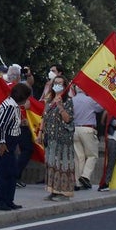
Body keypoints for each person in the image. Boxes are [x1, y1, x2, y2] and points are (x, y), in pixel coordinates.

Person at [0, 83, 31, 210]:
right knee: (4, 172)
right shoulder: (10, 106)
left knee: (11, 172)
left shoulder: (14, 105)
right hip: (5, 141)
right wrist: (2, 142)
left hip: (11, 140)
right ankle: (0, 201)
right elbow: (1, 126)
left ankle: (9, 200)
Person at [39, 73, 75, 201]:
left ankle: (64, 193)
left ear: (65, 86)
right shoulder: (49, 101)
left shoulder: (68, 101)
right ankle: (53, 191)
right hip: (51, 138)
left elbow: (68, 119)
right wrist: (40, 133)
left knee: (62, 165)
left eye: (60, 83)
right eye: (55, 83)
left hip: (63, 140)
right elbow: (44, 117)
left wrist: (60, 106)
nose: (57, 85)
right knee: (51, 164)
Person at [70, 84, 103, 191]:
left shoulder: (71, 101)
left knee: (78, 157)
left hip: (75, 129)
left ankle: (77, 182)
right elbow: (101, 108)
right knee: (92, 155)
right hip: (88, 129)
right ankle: (85, 176)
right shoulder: (90, 100)